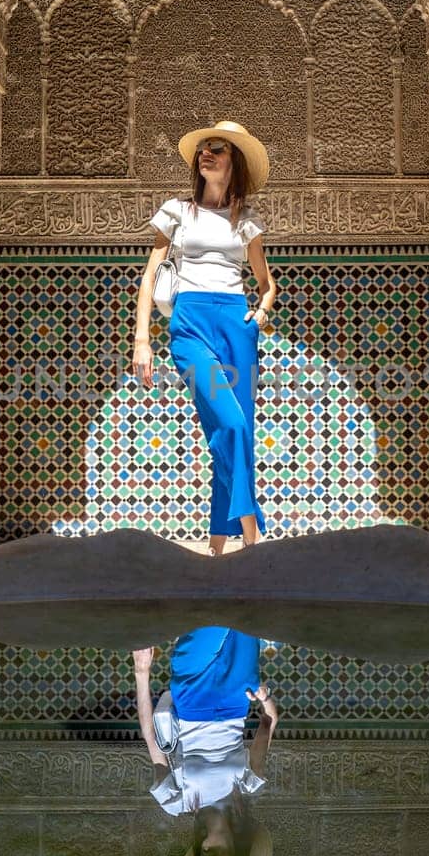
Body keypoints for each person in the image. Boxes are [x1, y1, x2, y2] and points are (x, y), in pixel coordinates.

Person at [133, 119, 276, 555]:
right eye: (203, 149)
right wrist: (143, 340)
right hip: (190, 325)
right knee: (230, 425)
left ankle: (217, 545)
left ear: (234, 160)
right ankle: (254, 540)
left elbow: (267, 284)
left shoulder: (246, 220)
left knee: (236, 432)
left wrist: (261, 315)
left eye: (217, 148)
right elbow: (151, 272)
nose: (206, 154)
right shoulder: (177, 211)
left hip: (237, 325)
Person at [133, 627, 278, 856]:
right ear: (237, 849)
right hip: (236, 698)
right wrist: (265, 699)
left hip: (192, 693)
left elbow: (150, 738)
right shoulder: (247, 788)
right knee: (247, 611)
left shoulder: (177, 802)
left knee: (213, 614)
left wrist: (142, 673)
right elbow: (269, 724)